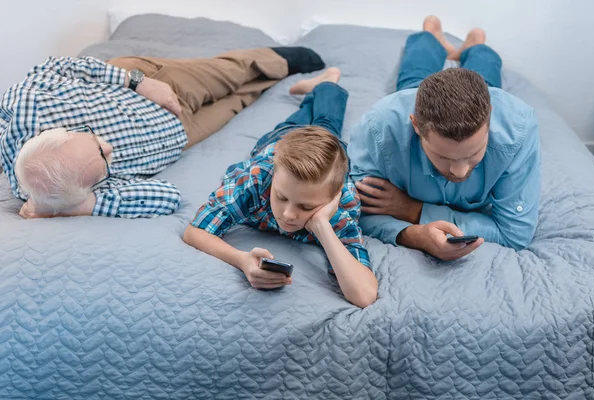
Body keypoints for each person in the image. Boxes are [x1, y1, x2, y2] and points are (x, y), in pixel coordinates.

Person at [0, 47, 325, 219]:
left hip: (151, 89)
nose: (109, 147)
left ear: (60, 134)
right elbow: (167, 196)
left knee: (232, 73)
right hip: (180, 132)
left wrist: (137, 80)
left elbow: (61, 65)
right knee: (241, 101)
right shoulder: (65, 190)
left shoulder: (28, 101)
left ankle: (278, 58)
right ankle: (271, 81)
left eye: (91, 138)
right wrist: (74, 207)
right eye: (104, 160)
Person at [347, 16, 541, 261]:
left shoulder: (518, 129)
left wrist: (412, 211)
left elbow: (514, 235)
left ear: (489, 119)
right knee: (413, 81)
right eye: (443, 156)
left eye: (473, 155)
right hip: (417, 98)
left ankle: (475, 44)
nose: (459, 172)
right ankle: (430, 35)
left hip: (478, 92)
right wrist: (415, 235)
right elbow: (356, 210)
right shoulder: (378, 130)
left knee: (484, 78)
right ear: (415, 125)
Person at [183, 68, 378, 308]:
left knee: (327, 125)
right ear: (273, 179)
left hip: (330, 152)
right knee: (309, 121)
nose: (288, 214)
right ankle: (323, 86)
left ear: (331, 198)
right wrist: (241, 260)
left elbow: (364, 296)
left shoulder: (342, 205)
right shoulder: (257, 179)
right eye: (281, 197)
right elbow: (195, 231)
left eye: (306, 206)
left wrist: (321, 226)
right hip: (281, 139)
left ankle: (327, 83)